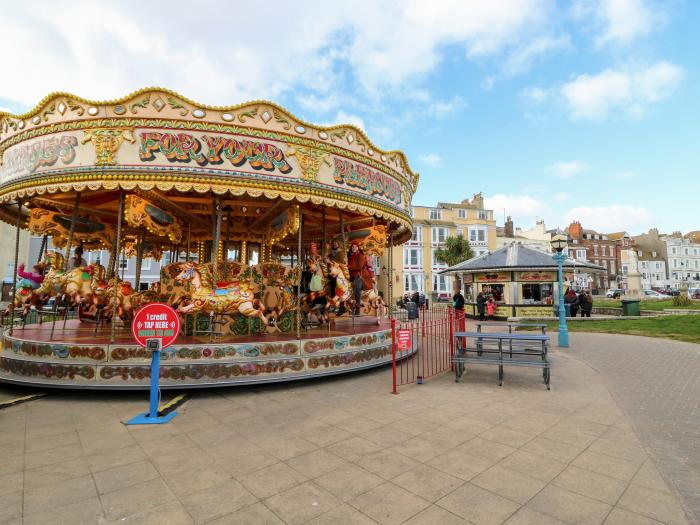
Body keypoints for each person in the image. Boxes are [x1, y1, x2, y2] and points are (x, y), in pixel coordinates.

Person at [346, 241, 367, 315]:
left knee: (357, 289)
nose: (354, 248)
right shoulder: (349, 256)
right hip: (350, 275)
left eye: (355, 246)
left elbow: (359, 266)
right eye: (352, 247)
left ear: (358, 248)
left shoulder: (360, 256)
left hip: (358, 275)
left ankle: (358, 307)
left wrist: (348, 266)